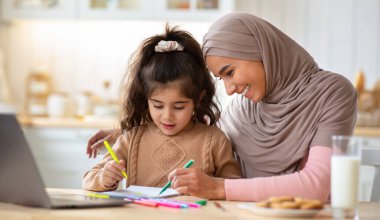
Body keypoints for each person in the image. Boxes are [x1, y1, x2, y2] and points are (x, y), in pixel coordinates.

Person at [86, 13, 357, 202]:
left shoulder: (332, 92)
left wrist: (219, 188)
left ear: (260, 51)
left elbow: (316, 186)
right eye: (221, 78)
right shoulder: (242, 109)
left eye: (230, 72)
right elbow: (193, 131)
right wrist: (131, 133)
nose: (229, 89)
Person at [82, 25, 241, 191]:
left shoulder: (215, 141)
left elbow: (233, 187)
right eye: (157, 105)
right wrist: (105, 178)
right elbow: (89, 180)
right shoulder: (131, 140)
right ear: (146, 99)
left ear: (198, 99)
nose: (167, 116)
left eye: (179, 107)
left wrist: (209, 185)